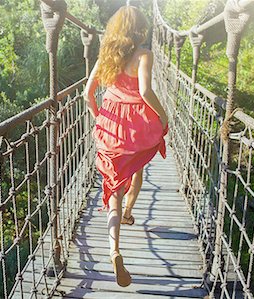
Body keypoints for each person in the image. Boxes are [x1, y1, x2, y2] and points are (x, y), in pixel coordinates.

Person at [83, 6, 168, 287]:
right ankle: (131, 212)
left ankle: (114, 249)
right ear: (141, 29)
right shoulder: (144, 54)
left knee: (113, 191)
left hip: (110, 125)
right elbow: (145, 92)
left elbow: (87, 94)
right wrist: (163, 115)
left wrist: (100, 121)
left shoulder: (106, 54)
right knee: (138, 166)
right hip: (137, 126)